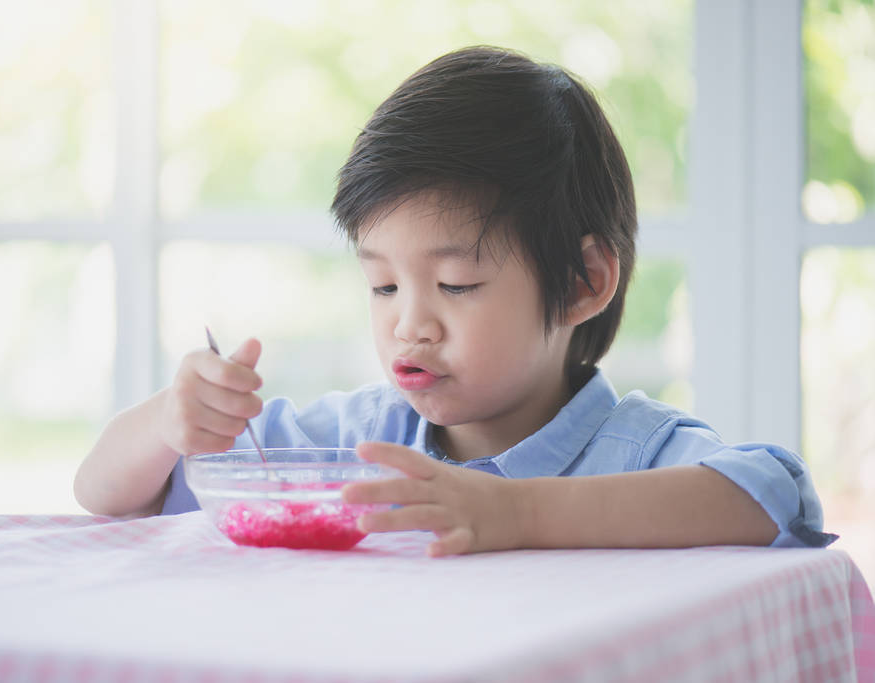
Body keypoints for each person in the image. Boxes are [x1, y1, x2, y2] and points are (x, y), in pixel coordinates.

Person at [74, 46, 835, 556]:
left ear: (582, 283)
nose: (409, 322)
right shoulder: (355, 442)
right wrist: (170, 419)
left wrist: (516, 513)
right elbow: (103, 493)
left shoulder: (638, 452)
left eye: (456, 285)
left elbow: (772, 494)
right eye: (382, 284)